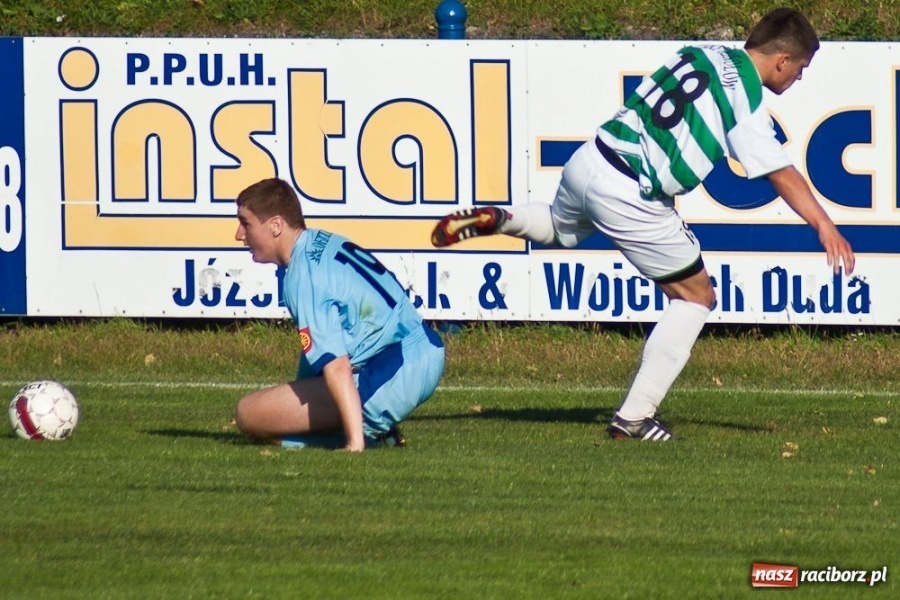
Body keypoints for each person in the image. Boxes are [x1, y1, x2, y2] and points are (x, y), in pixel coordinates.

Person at [430, 8, 855, 441]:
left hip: (592, 158)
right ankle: (634, 418)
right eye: (801, 68)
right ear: (782, 60)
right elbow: (779, 172)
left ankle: (503, 217)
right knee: (695, 298)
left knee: (559, 228)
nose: (799, 78)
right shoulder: (743, 98)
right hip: (630, 189)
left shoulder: (702, 53)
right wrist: (824, 225)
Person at [233, 177, 445, 451]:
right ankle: (368, 431)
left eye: (245, 223)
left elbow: (337, 366)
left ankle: (369, 437)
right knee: (279, 413)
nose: (239, 234)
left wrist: (354, 443)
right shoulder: (318, 242)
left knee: (249, 414)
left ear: (275, 225)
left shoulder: (304, 274)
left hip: (395, 371)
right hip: (422, 350)